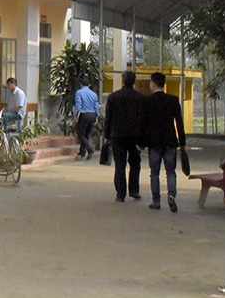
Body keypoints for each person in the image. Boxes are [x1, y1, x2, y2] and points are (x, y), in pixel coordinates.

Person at [143, 71, 186, 212]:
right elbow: (179, 123)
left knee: (154, 173)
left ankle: (156, 201)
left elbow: (144, 124)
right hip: (170, 141)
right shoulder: (173, 100)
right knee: (171, 171)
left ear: (154, 83)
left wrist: (142, 142)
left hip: (154, 143)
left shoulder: (147, 101)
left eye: (150, 82)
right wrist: (182, 142)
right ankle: (171, 195)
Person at [104, 70, 145, 201]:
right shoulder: (140, 98)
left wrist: (106, 135)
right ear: (134, 81)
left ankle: (120, 194)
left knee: (120, 165)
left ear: (123, 80)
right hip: (135, 136)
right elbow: (143, 119)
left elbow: (108, 118)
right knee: (135, 164)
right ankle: (134, 191)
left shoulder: (113, 97)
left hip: (117, 136)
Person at [73, 79, 100, 160]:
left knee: (80, 134)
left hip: (84, 115)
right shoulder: (94, 94)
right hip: (92, 115)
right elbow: (96, 106)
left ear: (81, 84)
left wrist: (76, 117)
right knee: (87, 135)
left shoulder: (79, 92)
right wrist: (97, 117)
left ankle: (90, 149)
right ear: (89, 85)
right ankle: (82, 152)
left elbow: (78, 106)